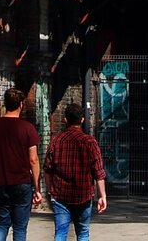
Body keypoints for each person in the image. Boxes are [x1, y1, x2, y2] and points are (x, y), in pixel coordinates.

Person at [0, 87, 43, 241]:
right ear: (21, 105)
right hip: (22, 183)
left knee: (2, 224)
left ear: (5, 104)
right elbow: (33, 160)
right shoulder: (28, 129)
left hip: (1, 182)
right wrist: (37, 187)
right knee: (20, 228)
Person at [44, 102, 107, 241]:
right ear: (82, 120)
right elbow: (98, 172)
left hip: (60, 195)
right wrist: (103, 196)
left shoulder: (56, 141)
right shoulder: (90, 142)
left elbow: (47, 169)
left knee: (60, 233)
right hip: (83, 194)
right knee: (83, 233)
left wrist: (50, 189)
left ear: (65, 120)